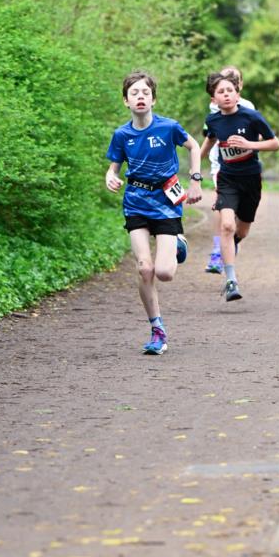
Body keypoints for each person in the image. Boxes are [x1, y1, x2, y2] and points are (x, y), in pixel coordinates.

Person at [105, 70, 202, 355]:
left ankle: (178, 243)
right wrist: (110, 177)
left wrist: (195, 179)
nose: (140, 97)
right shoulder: (121, 135)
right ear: (126, 101)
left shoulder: (168, 127)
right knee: (144, 268)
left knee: (164, 273)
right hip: (135, 201)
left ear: (153, 99)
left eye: (145, 93)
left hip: (166, 202)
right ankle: (157, 329)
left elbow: (194, 146)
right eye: (134, 93)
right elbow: (114, 167)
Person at [200, 71, 279, 302]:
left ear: (237, 94)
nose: (226, 95)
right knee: (226, 225)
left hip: (251, 179)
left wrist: (249, 144)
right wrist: (195, 168)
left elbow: (275, 144)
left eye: (229, 91)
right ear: (213, 99)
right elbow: (208, 143)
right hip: (227, 179)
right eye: (220, 92)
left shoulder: (252, 117)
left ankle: (229, 249)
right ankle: (231, 280)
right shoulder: (213, 120)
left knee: (240, 231)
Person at [204, 65, 255, 274]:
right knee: (221, 204)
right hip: (221, 164)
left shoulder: (248, 107)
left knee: (241, 225)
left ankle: (231, 242)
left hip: (246, 167)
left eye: (234, 80)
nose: (228, 86)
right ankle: (218, 249)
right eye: (225, 80)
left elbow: (259, 135)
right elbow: (210, 136)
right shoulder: (216, 106)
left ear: (240, 86)